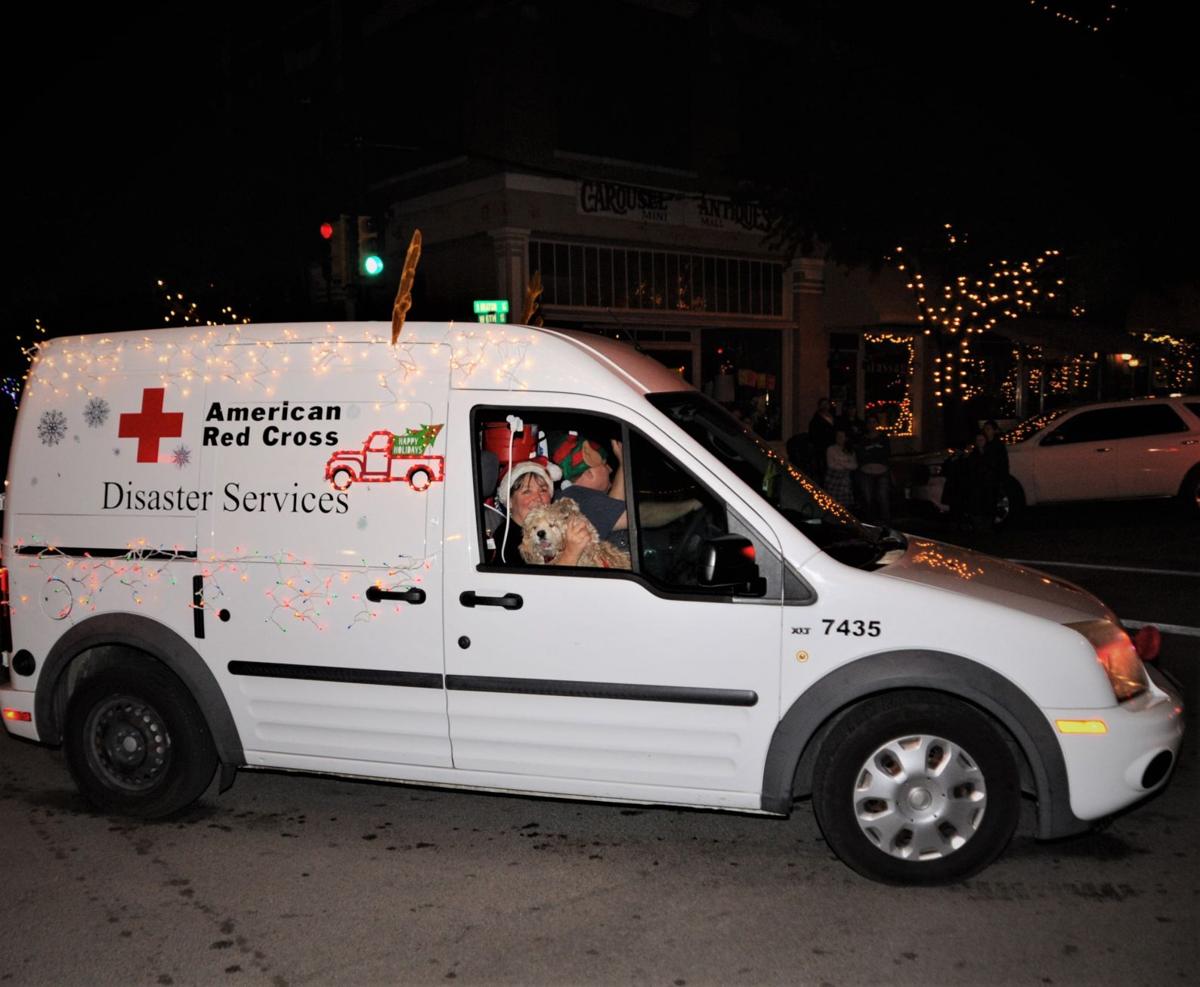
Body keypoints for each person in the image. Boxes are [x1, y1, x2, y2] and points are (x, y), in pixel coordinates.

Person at [548, 432, 701, 553]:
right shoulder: (576, 498)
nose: (609, 469)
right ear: (588, 474)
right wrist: (691, 505)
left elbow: (612, 508)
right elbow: (641, 515)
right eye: (604, 464)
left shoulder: (584, 499)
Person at [491, 458, 590, 566]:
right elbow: (538, 582)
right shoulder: (505, 540)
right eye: (527, 492)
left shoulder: (563, 524)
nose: (538, 498)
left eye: (543, 490)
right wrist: (571, 553)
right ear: (509, 501)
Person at [855, 414, 892, 521]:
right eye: (869, 422)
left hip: (882, 472)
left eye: (873, 422)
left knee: (883, 497)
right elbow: (861, 455)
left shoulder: (883, 437)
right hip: (866, 472)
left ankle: (886, 523)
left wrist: (872, 451)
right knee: (868, 499)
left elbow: (886, 454)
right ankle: (870, 523)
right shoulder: (862, 438)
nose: (871, 424)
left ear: (877, 423)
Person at [824, 428, 857, 507]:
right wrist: (846, 463)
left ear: (846, 438)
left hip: (845, 480)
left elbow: (854, 466)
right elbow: (831, 465)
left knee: (844, 505)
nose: (839, 438)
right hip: (833, 479)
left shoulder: (850, 450)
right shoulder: (830, 449)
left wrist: (839, 461)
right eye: (838, 436)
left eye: (841, 436)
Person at [807, 398, 836, 483]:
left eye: (826, 404)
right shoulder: (815, 421)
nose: (825, 407)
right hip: (822, 449)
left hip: (833, 447)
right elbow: (814, 436)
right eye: (823, 405)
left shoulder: (833, 417)